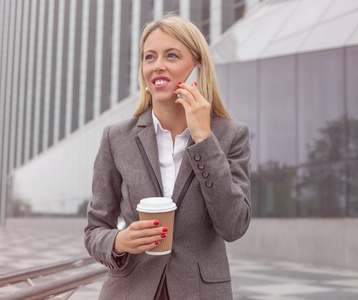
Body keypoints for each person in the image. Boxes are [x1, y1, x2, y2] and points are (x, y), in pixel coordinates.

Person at [84, 14, 251, 300]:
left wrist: (204, 140)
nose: (157, 65)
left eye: (171, 55)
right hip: (129, 291)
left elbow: (233, 225)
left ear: (198, 67)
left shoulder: (231, 135)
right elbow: (94, 230)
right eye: (149, 57)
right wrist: (120, 241)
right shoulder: (116, 138)